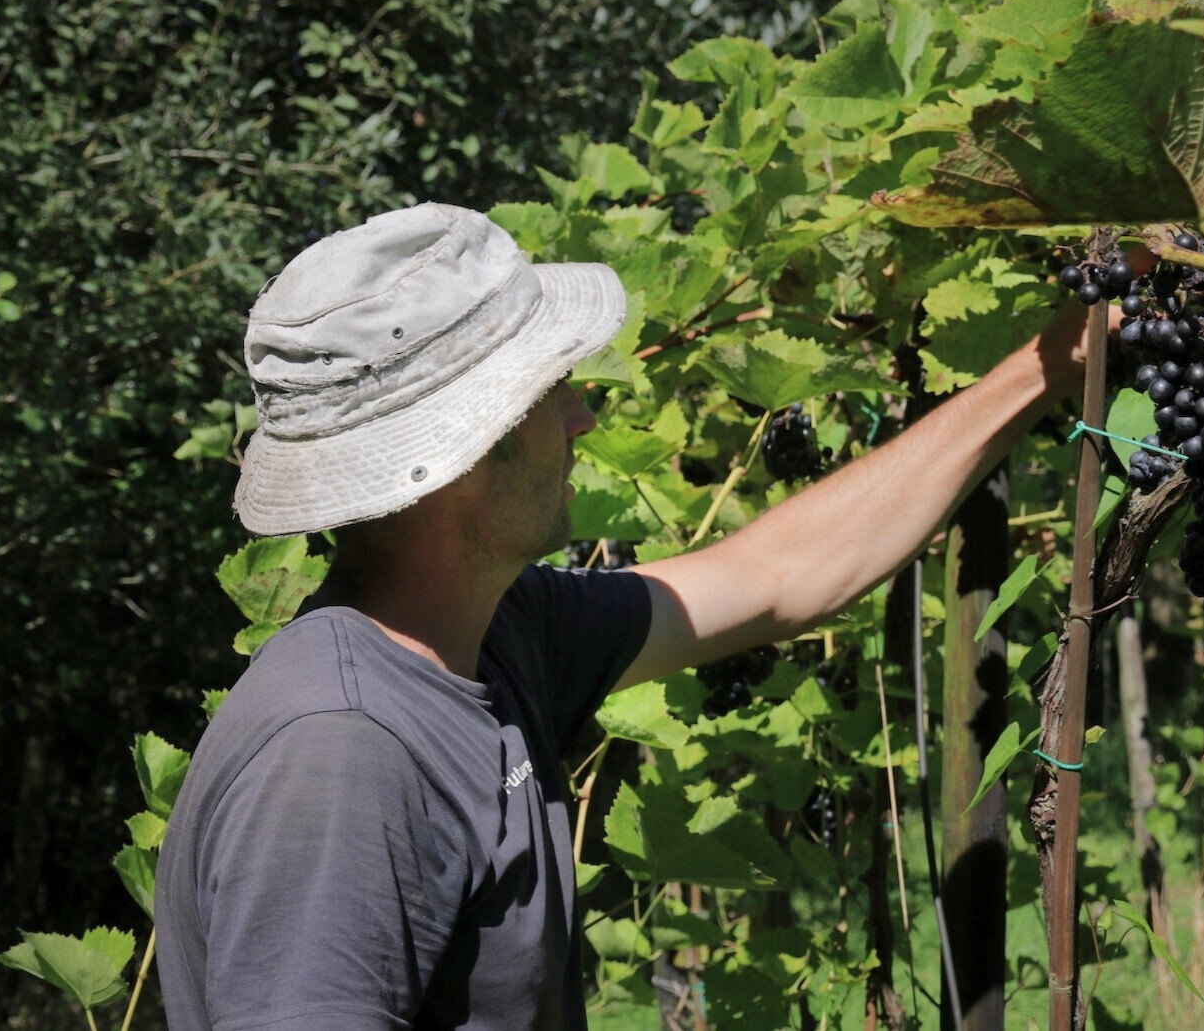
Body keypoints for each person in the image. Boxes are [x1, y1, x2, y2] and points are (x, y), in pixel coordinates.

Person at [155, 202, 1098, 1030]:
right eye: (544, 392)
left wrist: (1041, 368)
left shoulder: (498, 635)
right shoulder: (342, 754)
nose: (582, 418)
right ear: (460, 456)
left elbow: (777, 574)